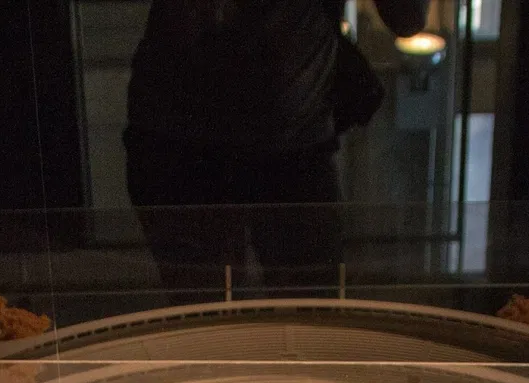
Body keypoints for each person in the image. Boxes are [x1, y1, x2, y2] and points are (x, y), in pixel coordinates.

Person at [124, 0, 426, 290]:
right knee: (230, 317)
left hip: (227, 139)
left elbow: (407, 17)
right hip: (191, 141)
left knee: (285, 316)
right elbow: (407, 17)